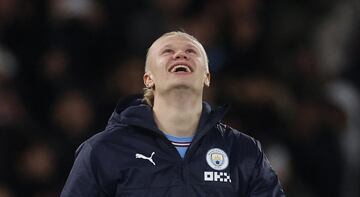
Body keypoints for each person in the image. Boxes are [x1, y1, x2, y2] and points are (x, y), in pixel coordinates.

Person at [61, 31, 285, 196]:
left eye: (191, 51)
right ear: (149, 79)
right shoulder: (104, 150)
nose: (180, 55)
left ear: (207, 76)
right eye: (167, 51)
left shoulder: (242, 151)